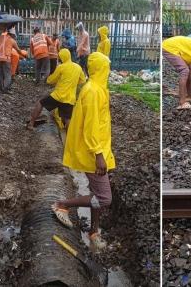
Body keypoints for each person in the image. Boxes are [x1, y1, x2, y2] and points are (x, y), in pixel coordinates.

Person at [51, 52, 115, 253]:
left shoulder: (97, 89)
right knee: (105, 198)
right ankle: (62, 204)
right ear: (100, 69)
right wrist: (98, 154)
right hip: (93, 152)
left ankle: (94, 232)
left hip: (98, 149)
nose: (109, 71)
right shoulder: (93, 91)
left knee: (97, 194)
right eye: (107, 67)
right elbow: (90, 127)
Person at [27, 49, 85, 130]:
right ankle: (69, 137)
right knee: (67, 118)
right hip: (70, 98)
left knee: (40, 103)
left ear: (62, 57)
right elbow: (83, 80)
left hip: (58, 96)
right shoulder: (78, 67)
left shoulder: (61, 67)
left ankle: (31, 123)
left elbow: (51, 80)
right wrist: (73, 82)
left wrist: (48, 78)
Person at [0, 27, 25, 93]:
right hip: (6, 59)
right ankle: (5, 89)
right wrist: (23, 55)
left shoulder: (0, 37)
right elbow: (18, 50)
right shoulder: (12, 40)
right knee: (8, 75)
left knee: (0, 74)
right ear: (12, 34)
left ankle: (1, 89)